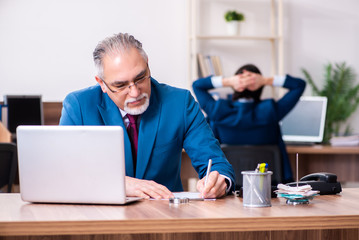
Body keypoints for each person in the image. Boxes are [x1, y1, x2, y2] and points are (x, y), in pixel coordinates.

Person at [59, 33, 235, 199]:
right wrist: (119, 184)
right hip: (101, 218)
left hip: (165, 217)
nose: (135, 92)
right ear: (102, 84)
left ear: (148, 65)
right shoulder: (79, 106)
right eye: (120, 85)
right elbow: (63, 172)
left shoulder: (180, 103)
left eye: (141, 77)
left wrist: (219, 181)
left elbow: (216, 162)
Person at [192, 64, 306, 183]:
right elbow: (299, 85)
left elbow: (197, 85)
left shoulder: (218, 110)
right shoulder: (271, 111)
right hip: (267, 186)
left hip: (227, 184)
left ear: (234, 86)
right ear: (260, 87)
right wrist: (264, 80)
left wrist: (228, 81)